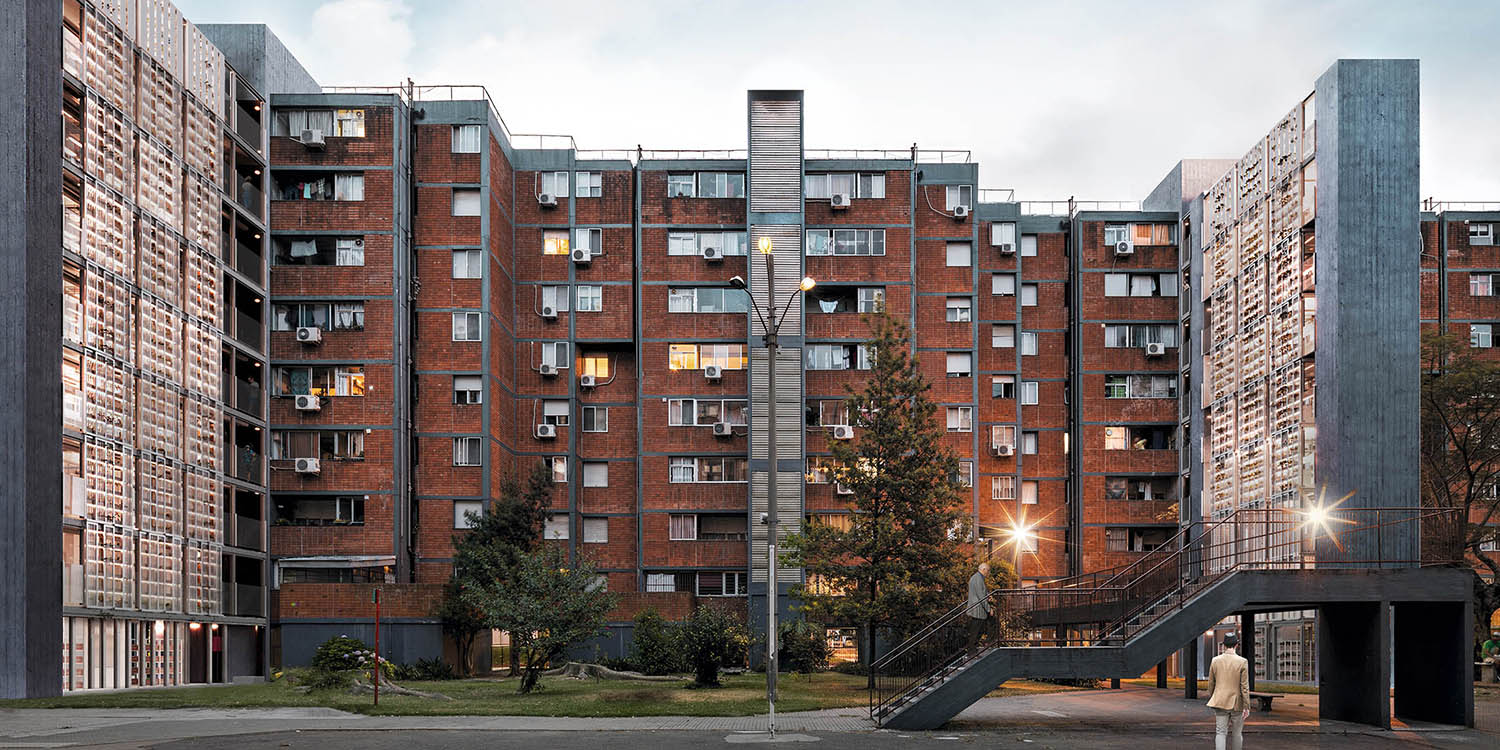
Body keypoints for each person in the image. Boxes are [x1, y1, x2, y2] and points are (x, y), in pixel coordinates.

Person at [1206, 633, 1250, 750]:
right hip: (1237, 703)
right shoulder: (1242, 662)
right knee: (1237, 734)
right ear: (1236, 645)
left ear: (1224, 645)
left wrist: (1213, 697)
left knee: (1220, 732)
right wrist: (1247, 706)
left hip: (1220, 701)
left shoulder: (1215, 660)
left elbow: (1211, 683)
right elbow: (1244, 686)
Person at [965, 562, 992, 659]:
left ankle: (974, 651)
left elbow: (982, 592)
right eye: (987, 570)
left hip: (978, 609)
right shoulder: (978, 578)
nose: (988, 573)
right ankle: (972, 652)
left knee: (977, 631)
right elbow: (981, 596)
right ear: (983, 569)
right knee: (975, 632)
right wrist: (989, 609)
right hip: (977, 610)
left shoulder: (978, 578)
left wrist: (988, 595)